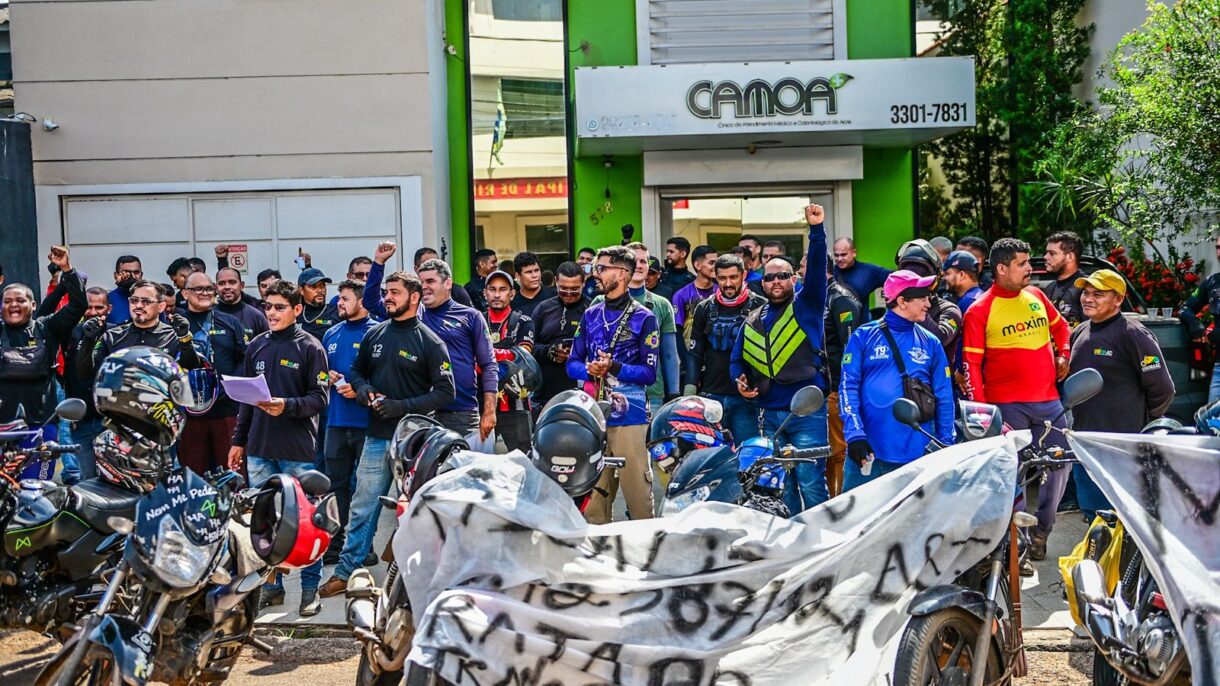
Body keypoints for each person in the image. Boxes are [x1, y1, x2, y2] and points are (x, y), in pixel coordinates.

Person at [318, 271, 455, 600]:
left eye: (395, 292)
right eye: (386, 292)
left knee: (419, 511)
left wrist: (402, 406)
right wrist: (363, 390)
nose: (388, 298)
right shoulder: (375, 335)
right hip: (377, 437)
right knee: (363, 505)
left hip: (417, 444)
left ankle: (423, 579)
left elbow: (446, 392)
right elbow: (356, 371)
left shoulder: (430, 341)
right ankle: (345, 570)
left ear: (414, 297)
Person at [961, 237, 1071, 560]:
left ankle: (1042, 532)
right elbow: (971, 367)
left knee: (1060, 464)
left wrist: (1063, 354)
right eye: (1023, 264)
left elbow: (1061, 329)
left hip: (1049, 402)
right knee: (1014, 473)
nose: (1030, 269)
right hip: (1006, 406)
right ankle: (1017, 545)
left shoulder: (1036, 296)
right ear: (1001, 268)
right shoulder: (980, 310)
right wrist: (984, 416)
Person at [226, 279, 329, 616]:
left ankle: (310, 589)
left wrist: (286, 405)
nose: (271, 313)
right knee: (264, 521)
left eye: (279, 307)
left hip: (297, 451)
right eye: (268, 307)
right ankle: (272, 586)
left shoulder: (311, 347)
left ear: (297, 309)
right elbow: (246, 401)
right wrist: (238, 441)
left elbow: (320, 398)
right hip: (259, 448)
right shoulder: (256, 345)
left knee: (309, 521)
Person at [732, 204, 830, 513]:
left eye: (783, 276)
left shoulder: (807, 306)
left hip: (806, 414)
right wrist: (741, 380)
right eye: (770, 277)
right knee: (775, 487)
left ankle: (821, 544)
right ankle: (787, 546)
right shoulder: (752, 319)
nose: (776, 281)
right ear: (761, 283)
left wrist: (816, 231)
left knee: (811, 481)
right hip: (767, 414)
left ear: (794, 280)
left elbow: (815, 272)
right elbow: (737, 359)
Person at [1068, 269, 1174, 515]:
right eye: (1086, 292)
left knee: (1123, 518)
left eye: (1098, 294)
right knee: (1093, 517)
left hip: (1121, 446)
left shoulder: (1132, 333)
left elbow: (1163, 388)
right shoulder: (1081, 330)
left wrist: (1140, 421)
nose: (1088, 298)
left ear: (1118, 299)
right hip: (1085, 441)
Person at [567, 246, 660, 523]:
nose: (595, 273)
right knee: (593, 495)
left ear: (621, 273)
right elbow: (572, 361)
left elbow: (649, 373)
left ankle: (646, 555)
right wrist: (588, 368)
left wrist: (615, 367)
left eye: (602, 268)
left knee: (638, 494)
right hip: (592, 413)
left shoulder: (645, 317)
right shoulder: (590, 314)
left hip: (629, 415)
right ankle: (596, 555)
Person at [840, 271, 955, 490]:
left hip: (918, 455)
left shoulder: (931, 342)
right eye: (922, 297)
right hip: (867, 452)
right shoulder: (863, 336)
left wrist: (945, 444)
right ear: (902, 301)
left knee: (915, 522)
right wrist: (854, 435)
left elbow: (944, 397)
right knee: (856, 521)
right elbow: (848, 387)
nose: (928, 304)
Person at [319, 279, 378, 565]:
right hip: (336, 422)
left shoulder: (377, 332)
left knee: (365, 490)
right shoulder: (331, 333)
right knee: (336, 486)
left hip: (368, 423)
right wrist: (325, 378)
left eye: (344, 298)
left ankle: (364, 546)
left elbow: (386, 377)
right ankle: (335, 544)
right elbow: (317, 376)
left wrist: (361, 389)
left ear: (361, 301)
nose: (339, 303)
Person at [0, 247, 84, 433]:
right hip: (3, 425)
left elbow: (78, 306)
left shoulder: (47, 327)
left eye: (20, 300)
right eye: (7, 301)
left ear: (33, 305)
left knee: (40, 463)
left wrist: (67, 270)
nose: (13, 304)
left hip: (42, 424)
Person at [685, 254, 766, 445]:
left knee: (748, 456)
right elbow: (695, 355)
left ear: (743, 275)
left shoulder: (761, 306)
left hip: (747, 400)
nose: (728, 283)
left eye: (733, 277)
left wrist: (761, 387)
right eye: (722, 278)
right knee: (711, 456)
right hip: (711, 397)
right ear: (715, 277)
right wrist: (689, 394)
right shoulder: (704, 308)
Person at [418, 258, 498, 444]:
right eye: (421, 282)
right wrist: (380, 262)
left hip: (462, 412)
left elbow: (488, 365)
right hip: (423, 413)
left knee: (469, 472)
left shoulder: (471, 316)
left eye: (430, 281)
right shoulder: (415, 315)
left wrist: (489, 411)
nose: (424, 287)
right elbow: (374, 303)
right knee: (428, 473)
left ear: (448, 283)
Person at [177, 272, 248, 475]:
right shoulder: (176, 325)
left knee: (233, 475)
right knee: (193, 477)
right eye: (198, 289)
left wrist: (227, 387)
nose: (205, 293)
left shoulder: (230, 322)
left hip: (227, 410)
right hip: (190, 414)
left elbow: (244, 359)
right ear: (185, 293)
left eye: (209, 288)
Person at [595, 243, 681, 410]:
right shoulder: (599, 302)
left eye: (644, 261)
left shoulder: (662, 304)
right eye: (635, 260)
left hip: (652, 394)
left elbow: (669, 354)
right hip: (609, 390)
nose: (640, 265)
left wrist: (674, 394)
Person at [79, 281, 202, 382]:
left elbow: (191, 368)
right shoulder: (112, 335)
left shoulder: (173, 335)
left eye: (146, 301)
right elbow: (85, 375)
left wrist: (185, 339)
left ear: (161, 307)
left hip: (162, 408)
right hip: (119, 408)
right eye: (134, 300)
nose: (138, 305)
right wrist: (88, 340)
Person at [482, 269, 535, 452]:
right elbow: (469, 357)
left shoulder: (523, 321)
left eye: (502, 289)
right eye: (492, 289)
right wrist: (505, 354)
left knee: (524, 461)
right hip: (483, 403)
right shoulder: (476, 320)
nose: (497, 294)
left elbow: (522, 357)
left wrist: (485, 355)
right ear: (485, 292)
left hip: (517, 404)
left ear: (512, 294)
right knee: (480, 463)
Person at [823, 260, 864, 497]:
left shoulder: (840, 298)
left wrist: (843, 387)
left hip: (837, 388)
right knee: (828, 451)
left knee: (838, 450)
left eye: (803, 268)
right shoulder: (817, 297)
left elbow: (849, 348)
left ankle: (840, 502)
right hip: (819, 388)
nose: (800, 274)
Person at [62, 286, 111, 479]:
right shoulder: (70, 333)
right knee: (87, 481)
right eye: (89, 307)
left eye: (99, 307)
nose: (93, 312)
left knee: (113, 480)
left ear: (109, 308)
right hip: (80, 420)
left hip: (108, 420)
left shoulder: (117, 334)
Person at [895, 239, 963, 361]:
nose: (912, 283)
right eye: (907, 278)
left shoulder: (950, 311)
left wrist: (917, 306)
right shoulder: (899, 307)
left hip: (937, 378)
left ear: (934, 281)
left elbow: (939, 339)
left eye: (918, 279)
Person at [532, 262, 587, 408]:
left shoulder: (591, 310)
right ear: (556, 282)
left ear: (583, 283)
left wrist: (577, 352)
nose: (569, 293)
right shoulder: (543, 309)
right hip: (546, 394)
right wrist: (550, 352)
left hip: (583, 395)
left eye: (574, 289)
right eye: (563, 288)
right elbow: (527, 348)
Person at [1180, 236, 1220, 402]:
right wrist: (1194, 324)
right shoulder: (1212, 282)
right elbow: (1184, 308)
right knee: (1212, 423)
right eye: (1218, 247)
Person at [1042, 231, 1087, 327]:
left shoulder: (1086, 286)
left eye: (1052, 253)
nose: (1045, 257)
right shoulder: (1050, 288)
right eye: (1047, 252)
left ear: (1070, 257)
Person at [832, 236, 891, 309]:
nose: (839, 259)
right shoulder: (829, 273)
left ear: (854, 253)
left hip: (861, 320)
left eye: (843, 254)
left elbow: (899, 279)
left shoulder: (869, 271)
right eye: (836, 255)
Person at [671, 245, 718, 333]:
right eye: (711, 263)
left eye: (717, 263)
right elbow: (677, 330)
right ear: (697, 265)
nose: (716, 267)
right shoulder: (681, 295)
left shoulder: (721, 292)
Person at [215, 267, 269, 339]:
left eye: (232, 282)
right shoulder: (207, 316)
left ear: (242, 285)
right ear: (216, 287)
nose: (227, 287)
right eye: (221, 283)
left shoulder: (256, 317)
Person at [297, 268, 338, 343]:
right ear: (301, 290)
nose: (320, 290)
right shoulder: (295, 314)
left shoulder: (335, 313)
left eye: (322, 286)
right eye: (313, 286)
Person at [510, 251, 556, 317]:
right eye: (529, 272)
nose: (534, 275)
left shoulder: (554, 296)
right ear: (518, 276)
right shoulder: (513, 303)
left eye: (536, 270)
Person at [107, 255, 143, 326]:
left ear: (141, 274)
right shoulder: (107, 300)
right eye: (126, 272)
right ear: (116, 275)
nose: (133, 276)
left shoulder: (152, 300)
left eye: (136, 272)